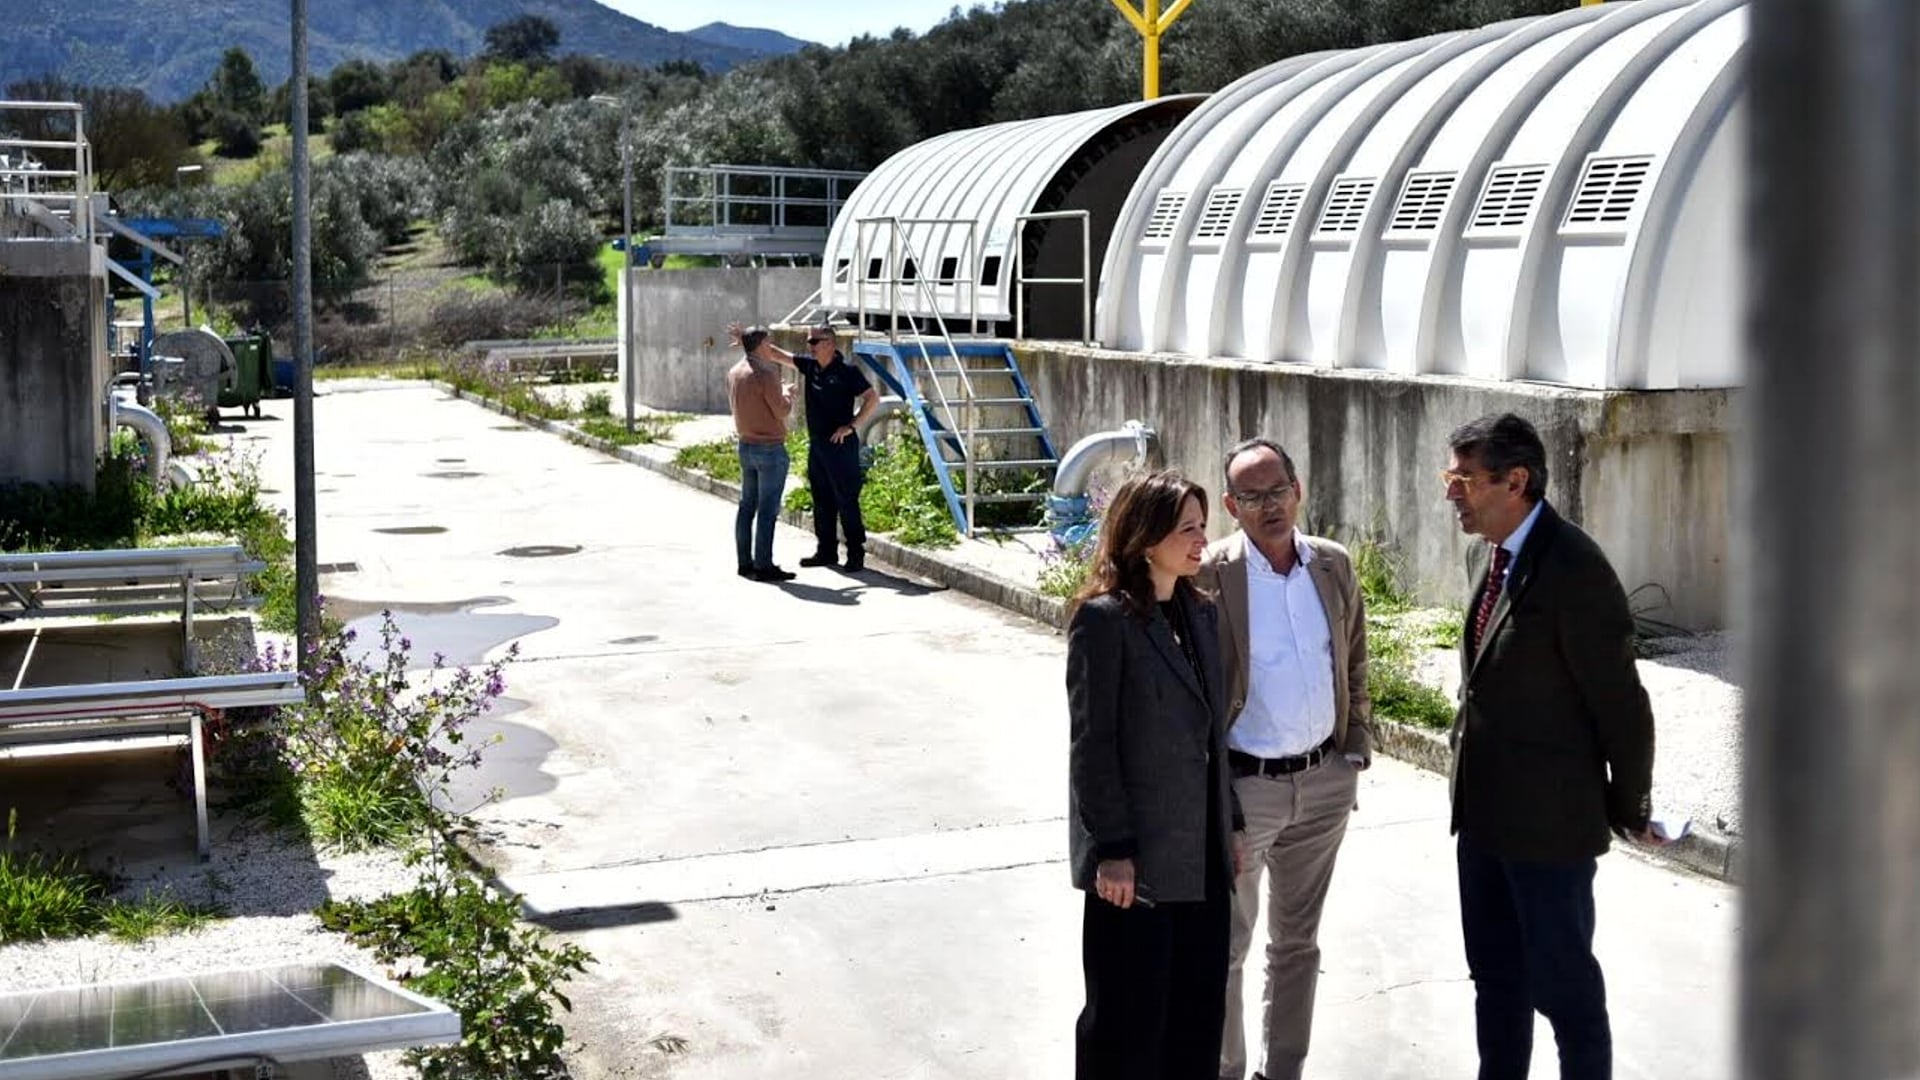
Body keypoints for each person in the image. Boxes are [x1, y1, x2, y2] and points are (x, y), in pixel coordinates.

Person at [1442, 413, 1660, 1080]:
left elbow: (1623, 706)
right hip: (1483, 818)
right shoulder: (1493, 553)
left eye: (1463, 481)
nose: (1452, 494)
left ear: (1516, 480)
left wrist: (1627, 805)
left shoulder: (1574, 569)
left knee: (1564, 990)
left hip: (1549, 829)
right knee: (1496, 981)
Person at [1196, 438, 1371, 1080]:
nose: (1267, 506)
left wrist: (1354, 749)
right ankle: (1224, 1070)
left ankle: (1284, 1070)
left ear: (1297, 490)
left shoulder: (1332, 564)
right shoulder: (1210, 575)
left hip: (1324, 784)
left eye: (1277, 491)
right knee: (1228, 947)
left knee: (1297, 944)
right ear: (1230, 505)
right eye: (1251, 496)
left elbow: (1353, 656)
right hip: (1248, 790)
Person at [1067, 469, 1243, 1080]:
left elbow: (1213, 735)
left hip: (1203, 857)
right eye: (1187, 528)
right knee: (1127, 1024)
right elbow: (1094, 744)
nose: (1203, 540)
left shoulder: (1200, 613)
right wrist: (1112, 849)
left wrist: (1234, 825)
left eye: (1202, 526)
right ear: (1146, 538)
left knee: (1195, 1019)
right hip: (1135, 865)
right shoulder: (1104, 621)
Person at [726, 323, 880, 571]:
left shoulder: (847, 371)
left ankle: (855, 553)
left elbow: (872, 398)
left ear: (830, 343)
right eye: (808, 341)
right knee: (821, 499)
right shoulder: (810, 366)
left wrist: (851, 426)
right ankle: (826, 551)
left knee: (846, 500)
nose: (809, 346)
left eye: (814, 342)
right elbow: (775, 354)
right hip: (817, 445)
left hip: (841, 446)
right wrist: (747, 340)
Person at [725, 326, 794, 582]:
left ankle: (745, 562)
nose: (772, 347)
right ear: (762, 345)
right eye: (769, 343)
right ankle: (764, 564)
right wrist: (788, 394)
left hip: (746, 445)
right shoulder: (766, 374)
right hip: (770, 448)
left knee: (747, 506)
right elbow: (782, 411)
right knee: (767, 509)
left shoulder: (735, 372)